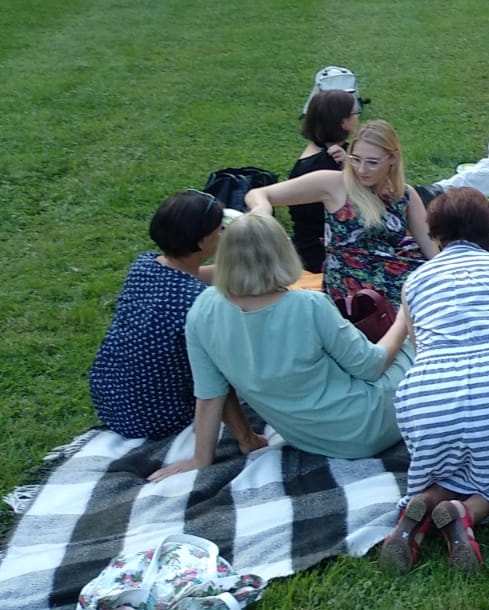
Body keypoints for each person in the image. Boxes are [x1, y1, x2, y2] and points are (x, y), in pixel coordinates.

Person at [148, 214, 414, 482]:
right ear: (282, 252)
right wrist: (404, 317)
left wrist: (202, 457)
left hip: (312, 440)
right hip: (371, 423)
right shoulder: (308, 305)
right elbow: (370, 366)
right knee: (419, 345)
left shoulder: (202, 309)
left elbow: (210, 394)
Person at [380, 189, 489, 574]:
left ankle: (424, 506)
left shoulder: (415, 282)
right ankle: (467, 513)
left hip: (428, 398)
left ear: (435, 234)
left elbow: (419, 347)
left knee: (448, 463)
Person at [244, 120, 437, 304]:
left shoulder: (404, 195)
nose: (362, 170)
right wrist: (262, 210)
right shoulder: (335, 184)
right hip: (350, 285)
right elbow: (258, 193)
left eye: (372, 162)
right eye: (355, 159)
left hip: (391, 277)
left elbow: (432, 251)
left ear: (392, 159)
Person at [88, 190, 224, 439]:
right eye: (220, 228)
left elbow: (192, 276)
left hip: (111, 402)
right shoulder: (198, 302)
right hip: (157, 418)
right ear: (202, 241)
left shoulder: (144, 265)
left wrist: (245, 267)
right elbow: (217, 377)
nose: (223, 233)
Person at [287, 89, 359, 272]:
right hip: (324, 254)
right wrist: (349, 168)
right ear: (342, 121)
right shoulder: (318, 166)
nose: (358, 117)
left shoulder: (338, 152)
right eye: (354, 113)